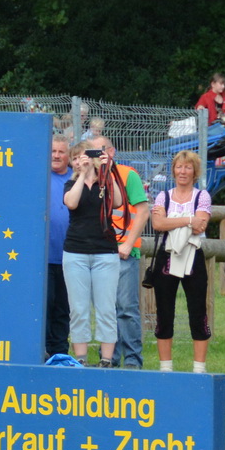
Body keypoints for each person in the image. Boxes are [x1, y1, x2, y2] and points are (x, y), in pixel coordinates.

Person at [148, 149, 212, 372]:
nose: (182, 171)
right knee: (164, 311)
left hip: (193, 254)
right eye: (179, 166)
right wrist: (188, 219)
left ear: (195, 171)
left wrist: (172, 220)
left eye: (187, 167)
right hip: (167, 254)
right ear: (173, 170)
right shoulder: (163, 196)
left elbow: (201, 225)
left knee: (198, 310)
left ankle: (199, 368)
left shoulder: (202, 196)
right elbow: (157, 225)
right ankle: (165, 367)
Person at [90, 135, 149, 367]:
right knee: (106, 309)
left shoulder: (127, 175)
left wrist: (127, 243)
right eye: (92, 152)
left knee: (126, 309)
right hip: (98, 252)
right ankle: (109, 360)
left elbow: (143, 212)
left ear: (112, 151)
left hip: (124, 252)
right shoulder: (89, 177)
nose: (98, 156)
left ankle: (133, 361)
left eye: (101, 151)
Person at [61, 140, 119, 365]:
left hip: (105, 252)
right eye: (74, 159)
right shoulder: (69, 184)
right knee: (79, 309)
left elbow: (118, 201)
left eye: (82, 157)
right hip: (76, 252)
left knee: (106, 308)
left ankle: (106, 359)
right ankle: (81, 359)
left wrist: (108, 169)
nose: (78, 162)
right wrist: (82, 176)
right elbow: (71, 203)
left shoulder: (106, 181)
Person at [45, 135, 73, 358]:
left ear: (69, 155)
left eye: (61, 152)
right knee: (44, 307)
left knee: (64, 309)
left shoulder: (78, 178)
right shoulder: (40, 178)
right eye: (53, 151)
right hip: (44, 257)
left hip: (72, 257)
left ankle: (60, 353)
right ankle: (43, 351)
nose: (56, 156)